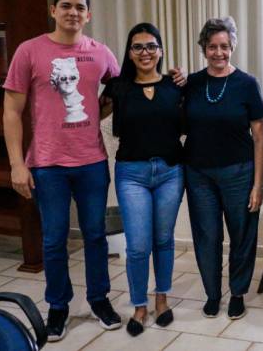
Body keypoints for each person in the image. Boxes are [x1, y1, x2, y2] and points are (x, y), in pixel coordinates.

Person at [3, 0, 123, 341]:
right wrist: (16, 164)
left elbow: (122, 91)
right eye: (66, 6)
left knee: (95, 235)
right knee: (54, 240)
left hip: (91, 161)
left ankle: (99, 299)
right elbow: (11, 111)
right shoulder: (29, 51)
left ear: (88, 15)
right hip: (47, 163)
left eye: (80, 7)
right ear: (53, 10)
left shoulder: (101, 53)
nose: (73, 12)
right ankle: (58, 306)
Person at [100, 23, 184, 336]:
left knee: (163, 239)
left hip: (170, 172)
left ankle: (162, 299)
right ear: (130, 52)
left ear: (160, 51)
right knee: (137, 246)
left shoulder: (176, 86)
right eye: (138, 47)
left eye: (151, 46)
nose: (145, 52)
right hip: (131, 174)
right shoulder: (117, 88)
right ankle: (139, 305)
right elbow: (89, 117)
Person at [184, 16, 263, 321]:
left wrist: (258, 184)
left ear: (232, 47)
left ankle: (237, 293)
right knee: (207, 236)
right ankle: (212, 294)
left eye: (224, 46)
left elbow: (260, 136)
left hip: (239, 172)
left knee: (242, 234)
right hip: (198, 173)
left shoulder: (247, 83)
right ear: (204, 48)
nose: (218, 52)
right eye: (212, 46)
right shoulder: (192, 83)